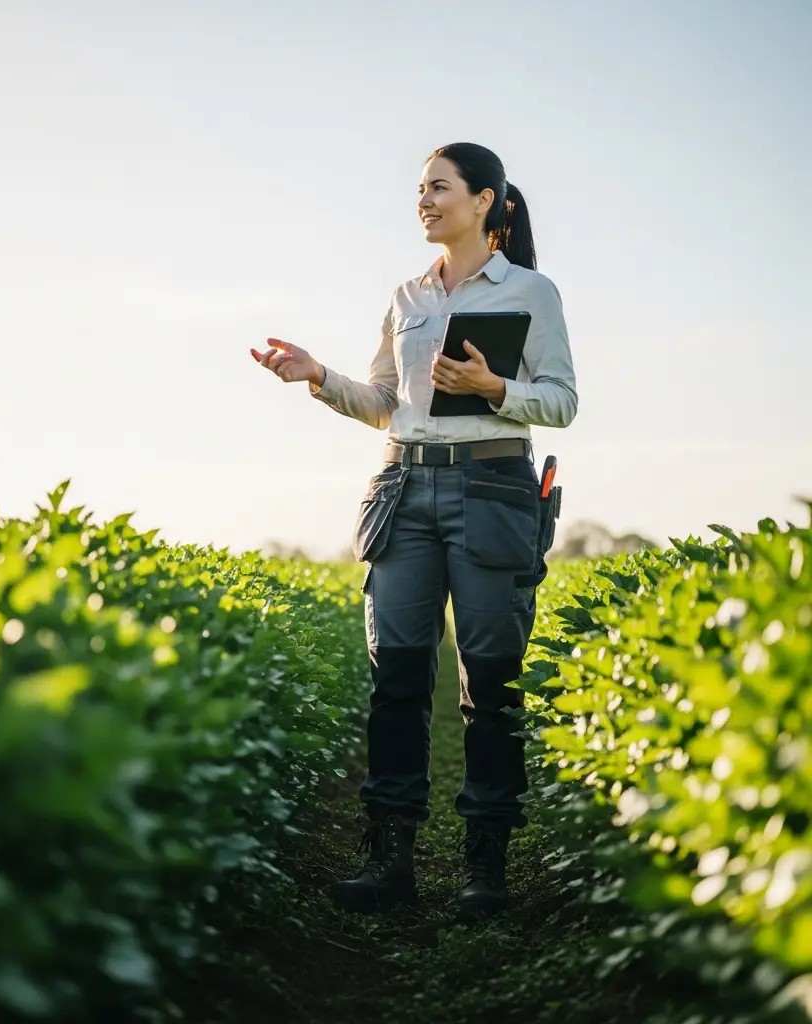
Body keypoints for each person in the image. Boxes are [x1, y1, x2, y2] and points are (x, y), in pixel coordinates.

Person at [249, 142, 577, 920]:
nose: (424, 200)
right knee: (396, 677)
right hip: (403, 489)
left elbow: (562, 401)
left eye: (439, 188)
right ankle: (389, 861)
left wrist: (494, 387)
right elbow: (384, 402)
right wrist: (320, 377)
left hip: (496, 488)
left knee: (491, 685)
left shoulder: (532, 292)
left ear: (485, 201)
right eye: (420, 189)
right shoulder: (405, 296)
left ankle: (484, 870)